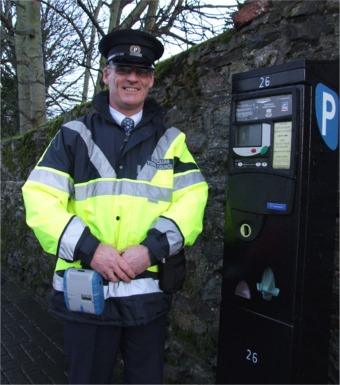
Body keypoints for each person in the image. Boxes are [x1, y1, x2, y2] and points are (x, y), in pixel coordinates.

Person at [22, 29, 208, 384]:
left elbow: (193, 199)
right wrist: (90, 250)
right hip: (86, 295)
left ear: (151, 80)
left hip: (146, 298)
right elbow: (39, 196)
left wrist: (151, 250)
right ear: (106, 74)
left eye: (141, 71)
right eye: (123, 68)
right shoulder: (73, 135)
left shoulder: (172, 142)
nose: (132, 78)